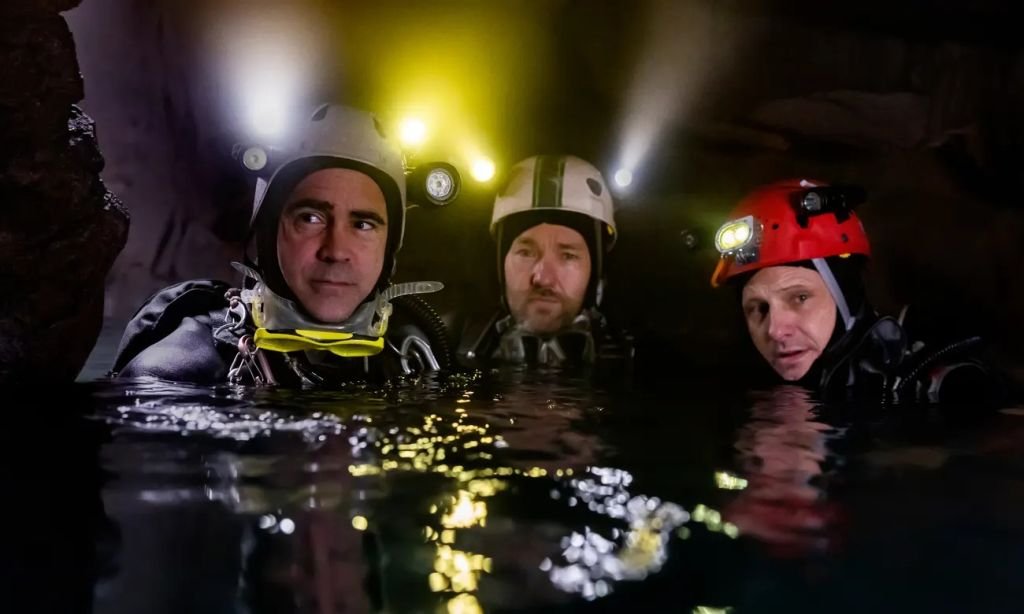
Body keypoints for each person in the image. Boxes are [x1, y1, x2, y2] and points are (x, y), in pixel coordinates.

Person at [112, 104, 451, 386]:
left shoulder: (416, 355)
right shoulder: (177, 374)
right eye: (311, 218)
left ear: (390, 246)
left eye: (363, 224)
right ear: (268, 230)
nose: (335, 251)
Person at [711, 178, 998, 405]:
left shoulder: (938, 387)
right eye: (758, 308)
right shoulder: (738, 389)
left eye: (800, 298)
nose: (775, 330)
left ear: (845, 297)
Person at [455, 155, 632, 368]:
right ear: (500, 266)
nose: (543, 279)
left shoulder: (643, 360)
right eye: (525, 253)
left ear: (596, 274)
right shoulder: (451, 344)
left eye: (568, 256)